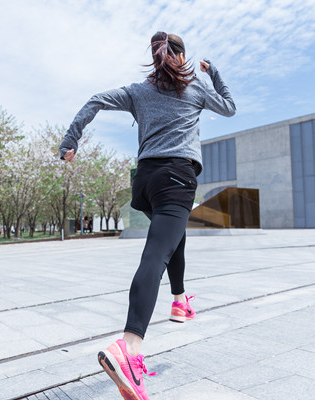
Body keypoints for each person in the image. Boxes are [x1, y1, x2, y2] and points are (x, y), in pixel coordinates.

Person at [59, 31, 235, 400]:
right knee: (156, 253)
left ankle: (180, 299)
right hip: (177, 178)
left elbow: (95, 100)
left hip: (146, 181)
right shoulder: (196, 89)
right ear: (182, 58)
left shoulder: (137, 91)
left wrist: (70, 140)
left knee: (172, 235)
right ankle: (129, 347)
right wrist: (213, 72)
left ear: (154, 57)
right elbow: (230, 107)